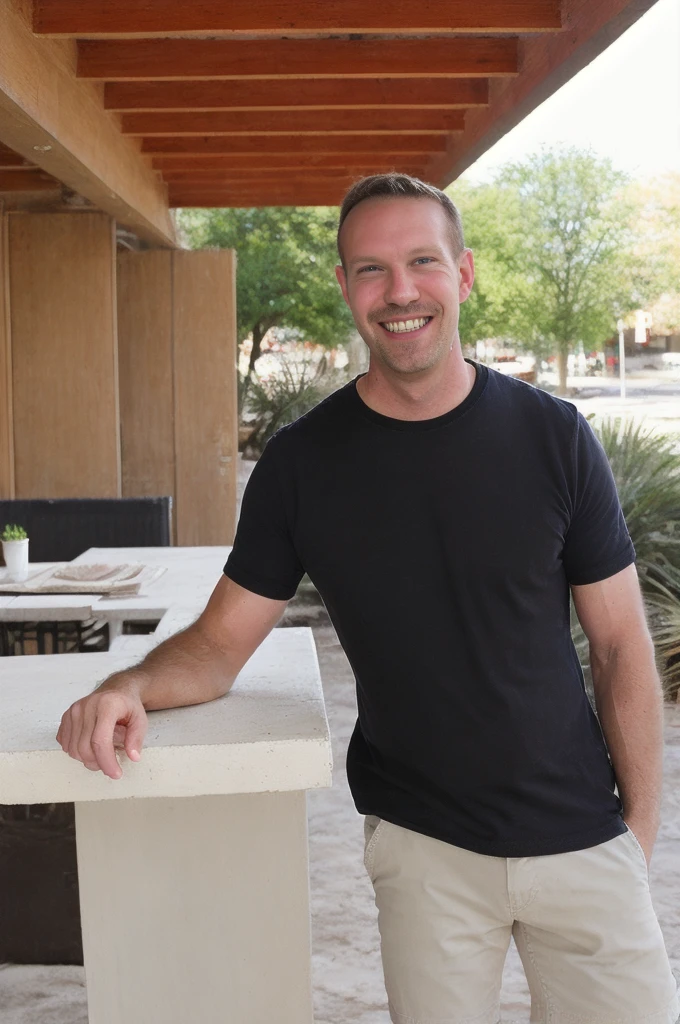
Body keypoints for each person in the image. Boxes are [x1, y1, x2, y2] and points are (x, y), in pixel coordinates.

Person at [57, 174, 679, 1024]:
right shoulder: (303, 466)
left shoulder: (554, 437)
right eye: (370, 270)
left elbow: (617, 647)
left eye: (421, 262)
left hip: (582, 833)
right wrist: (123, 686)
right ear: (347, 288)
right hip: (426, 848)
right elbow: (217, 647)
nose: (399, 292)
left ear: (462, 275)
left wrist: (634, 838)